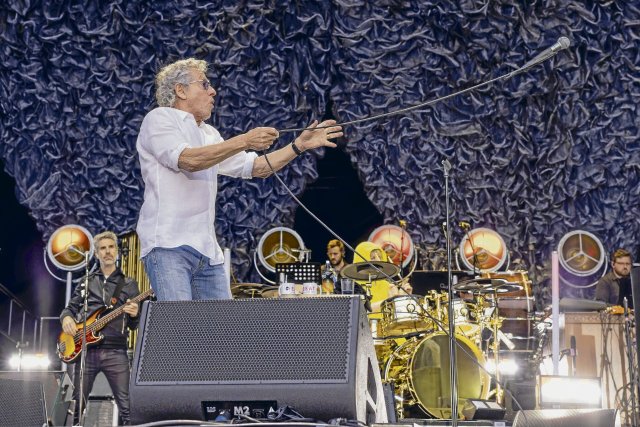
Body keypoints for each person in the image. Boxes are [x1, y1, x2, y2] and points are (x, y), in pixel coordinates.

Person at [136, 58, 343, 301]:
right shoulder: (159, 119)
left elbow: (256, 167)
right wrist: (244, 140)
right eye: (204, 84)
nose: (213, 91)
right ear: (180, 90)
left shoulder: (209, 133)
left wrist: (299, 145)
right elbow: (188, 160)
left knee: (223, 335)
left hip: (208, 253)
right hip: (169, 246)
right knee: (180, 331)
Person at [60, 231, 140, 425]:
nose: (107, 252)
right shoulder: (87, 281)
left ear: (117, 252)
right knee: (77, 404)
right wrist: (67, 319)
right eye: (103, 248)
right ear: (96, 253)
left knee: (127, 406)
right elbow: (69, 308)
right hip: (86, 350)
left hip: (116, 351)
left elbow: (133, 325)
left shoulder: (129, 284)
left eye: (111, 247)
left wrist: (134, 313)